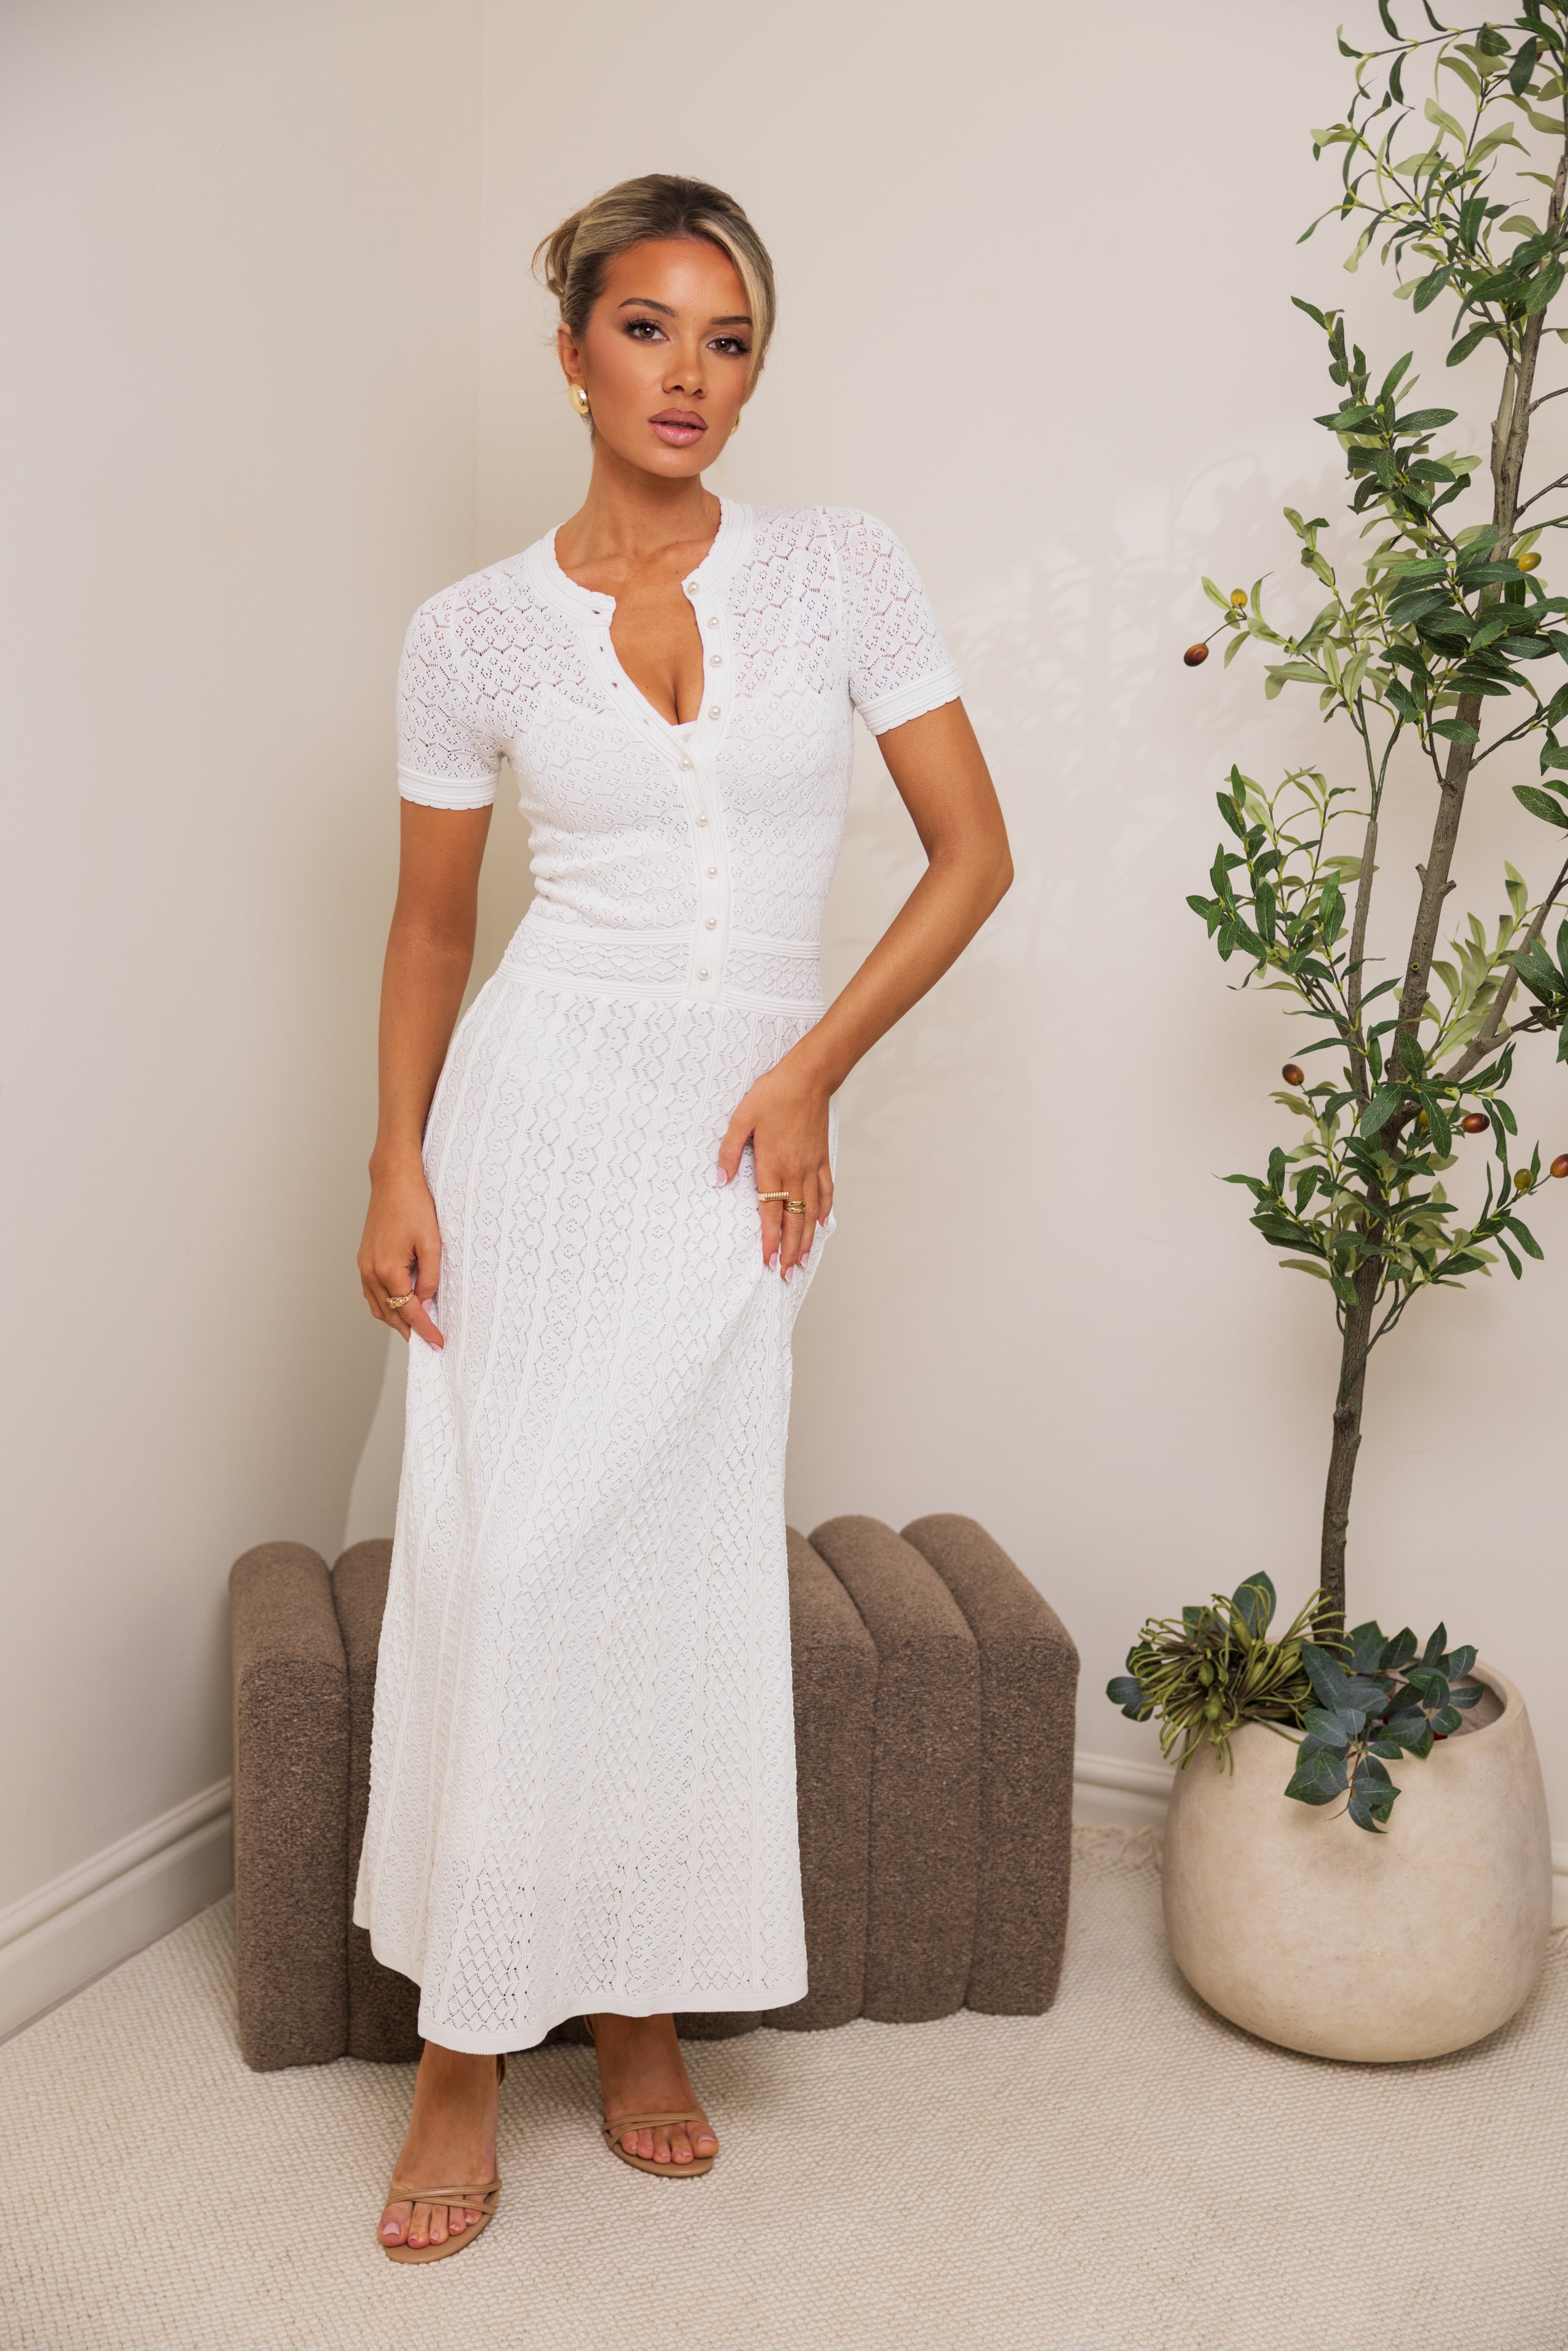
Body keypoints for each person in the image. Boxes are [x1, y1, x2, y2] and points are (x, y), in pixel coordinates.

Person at [355, 172, 1012, 2262]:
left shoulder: (840, 575)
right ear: (571, 354)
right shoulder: (467, 633)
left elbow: (972, 855)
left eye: (732, 341)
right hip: (530, 1124)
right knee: (506, 1558)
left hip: (738, 1146)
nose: (693, 377)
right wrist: (393, 1158)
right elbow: (433, 929)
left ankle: (643, 2006)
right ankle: (469, 2044)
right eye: (651, 330)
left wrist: (811, 1068)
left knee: (676, 1569)